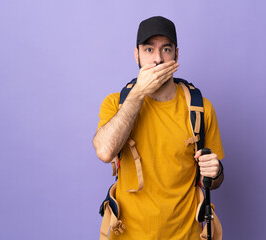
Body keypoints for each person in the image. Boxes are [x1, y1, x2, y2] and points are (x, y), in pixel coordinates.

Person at [94, 16, 224, 240]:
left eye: (166, 49)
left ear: (176, 54)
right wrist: (138, 93)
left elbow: (211, 179)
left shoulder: (201, 108)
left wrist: (217, 171)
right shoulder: (115, 103)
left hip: (186, 234)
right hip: (128, 234)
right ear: (136, 54)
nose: (157, 59)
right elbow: (105, 152)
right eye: (148, 50)